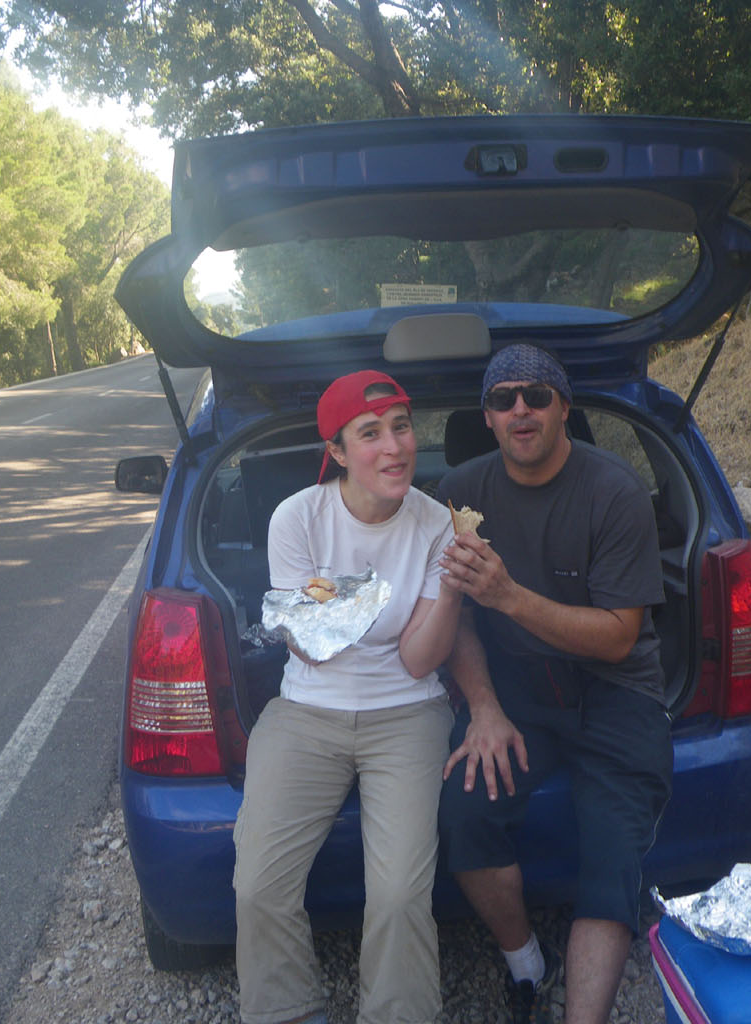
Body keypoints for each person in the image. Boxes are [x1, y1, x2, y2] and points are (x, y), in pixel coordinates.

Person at [435, 344, 673, 1024]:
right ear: (486, 416)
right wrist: (483, 706)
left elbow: (619, 636)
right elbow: (456, 618)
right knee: (464, 815)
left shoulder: (613, 490)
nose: (521, 409)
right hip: (517, 691)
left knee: (612, 862)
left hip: (616, 690)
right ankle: (525, 965)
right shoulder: (459, 493)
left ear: (563, 407)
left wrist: (509, 596)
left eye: (536, 396)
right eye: (503, 398)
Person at [233, 370, 464, 1024]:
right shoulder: (297, 518)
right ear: (336, 451)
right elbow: (311, 650)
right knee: (258, 884)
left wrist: (452, 586)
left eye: (401, 427)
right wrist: (347, 607)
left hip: (408, 711)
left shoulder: (437, 525)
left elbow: (418, 659)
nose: (394, 447)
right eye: (370, 434)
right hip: (306, 709)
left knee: (398, 894)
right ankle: (286, 1010)